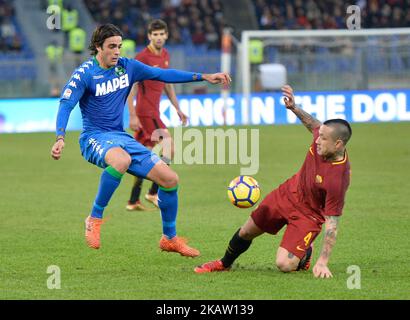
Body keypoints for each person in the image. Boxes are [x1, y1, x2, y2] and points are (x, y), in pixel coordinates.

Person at [50, 24, 231, 258]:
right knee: (121, 161)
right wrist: (60, 136)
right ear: (98, 47)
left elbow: (163, 75)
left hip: (121, 137)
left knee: (169, 179)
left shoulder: (128, 67)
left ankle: (169, 238)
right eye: (111, 47)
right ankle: (94, 218)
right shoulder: (84, 73)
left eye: (119, 46)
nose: (117, 51)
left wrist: (204, 76)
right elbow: (66, 104)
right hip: (94, 137)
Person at [195, 85, 352, 278]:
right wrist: (294, 108)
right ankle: (224, 263)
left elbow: (332, 224)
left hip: (309, 215)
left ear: (338, 144)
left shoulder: (338, 179)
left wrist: (322, 262)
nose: (317, 141)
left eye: (323, 138)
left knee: (284, 264)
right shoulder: (322, 138)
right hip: (287, 194)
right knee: (247, 231)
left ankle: (305, 252)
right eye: (318, 136)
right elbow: (313, 124)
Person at [126, 19, 187, 212]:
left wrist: (177, 108)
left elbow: (167, 84)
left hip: (154, 111)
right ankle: (154, 191)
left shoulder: (165, 56)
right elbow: (132, 87)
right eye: (155, 35)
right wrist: (132, 114)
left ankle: (133, 200)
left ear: (166, 35)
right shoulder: (142, 57)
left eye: (162, 34)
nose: (159, 38)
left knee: (141, 157)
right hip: (146, 113)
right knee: (170, 147)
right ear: (149, 36)